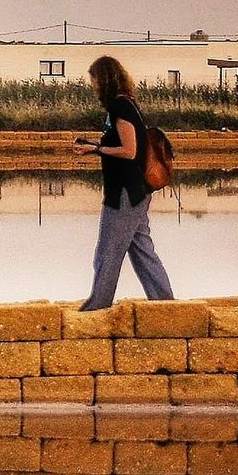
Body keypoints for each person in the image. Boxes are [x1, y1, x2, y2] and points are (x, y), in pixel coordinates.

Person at [74, 55, 175, 311]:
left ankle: (98, 305)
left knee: (107, 252)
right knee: (142, 250)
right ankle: (165, 305)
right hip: (135, 191)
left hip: (126, 192)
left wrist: (96, 149)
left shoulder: (120, 106)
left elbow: (130, 151)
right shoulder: (126, 104)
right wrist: (96, 147)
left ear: (104, 79)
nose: (93, 84)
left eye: (94, 79)